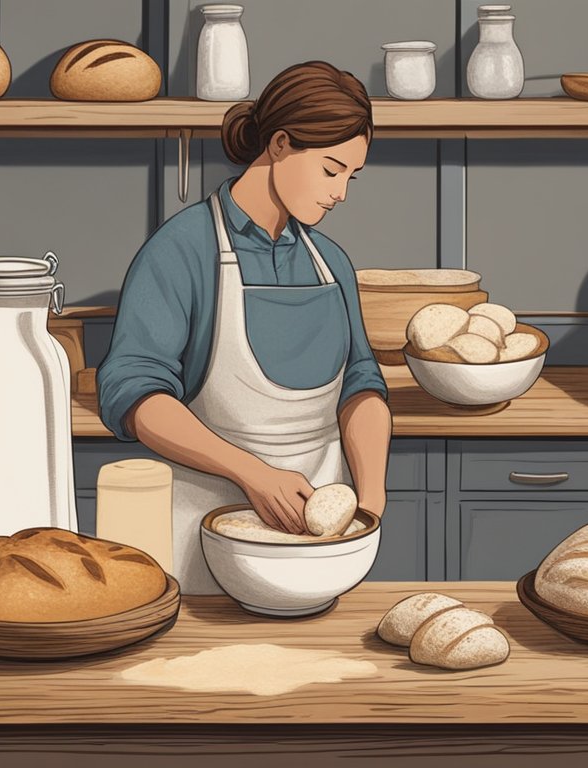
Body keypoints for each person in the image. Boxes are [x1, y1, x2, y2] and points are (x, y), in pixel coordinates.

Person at [98, 61, 390, 594]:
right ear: (279, 144)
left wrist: (369, 499)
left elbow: (361, 384)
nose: (342, 192)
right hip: (206, 540)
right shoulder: (182, 251)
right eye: (331, 169)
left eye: (352, 175)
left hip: (322, 549)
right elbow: (134, 395)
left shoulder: (331, 262)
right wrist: (253, 474)